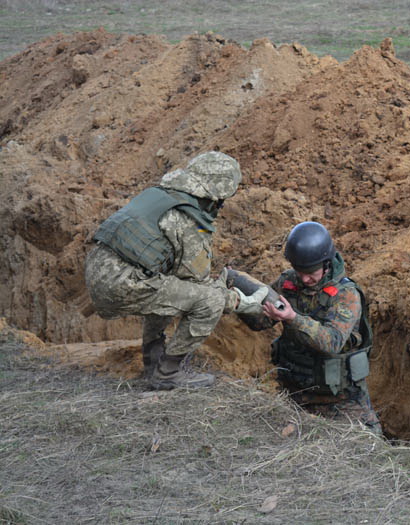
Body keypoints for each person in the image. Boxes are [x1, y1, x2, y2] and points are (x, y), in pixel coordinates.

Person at [84, 151, 266, 390]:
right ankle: (168, 372)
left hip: (98, 270)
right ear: (217, 195)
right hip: (121, 284)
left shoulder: (158, 196)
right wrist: (244, 302)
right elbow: (199, 287)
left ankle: (153, 360)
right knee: (210, 300)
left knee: (168, 286)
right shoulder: (189, 220)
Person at [244, 221, 381, 434]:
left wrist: (292, 318)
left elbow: (332, 342)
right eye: (299, 271)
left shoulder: (346, 295)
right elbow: (258, 323)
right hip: (293, 391)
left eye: (310, 273)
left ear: (326, 264)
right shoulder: (289, 282)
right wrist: (241, 301)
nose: (304, 279)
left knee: (367, 450)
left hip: (339, 399)